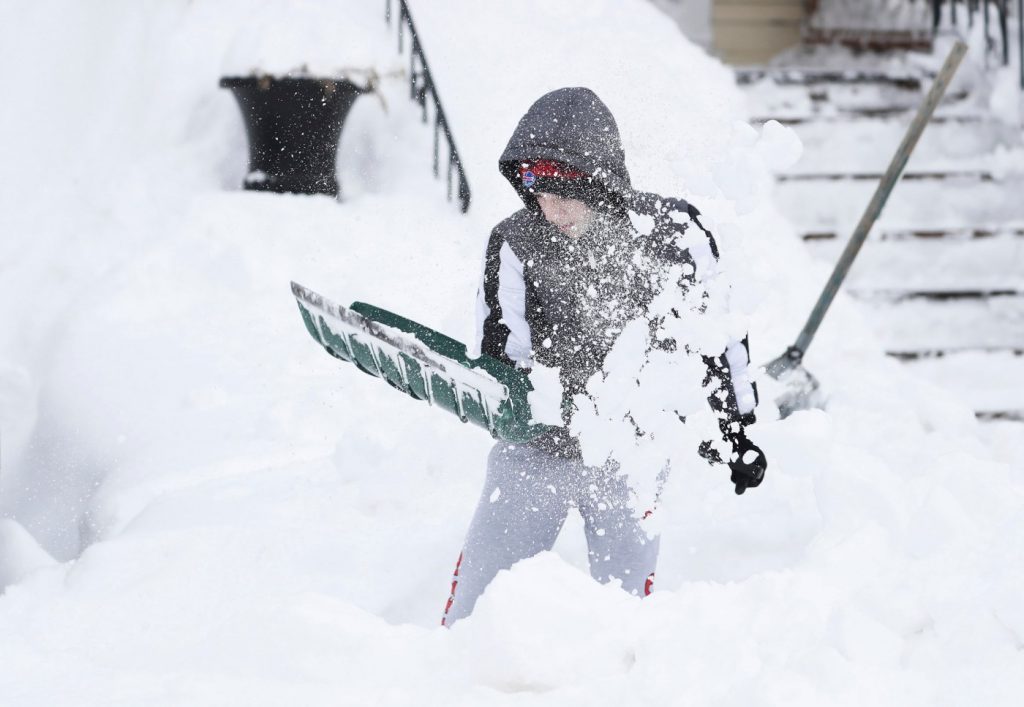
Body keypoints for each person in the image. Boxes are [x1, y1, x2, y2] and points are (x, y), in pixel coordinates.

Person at [441, 87, 766, 626]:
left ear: (598, 180)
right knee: (478, 608)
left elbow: (717, 336)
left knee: (624, 619)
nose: (551, 209)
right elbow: (504, 357)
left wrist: (735, 428)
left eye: (563, 193)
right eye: (536, 192)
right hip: (536, 451)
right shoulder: (516, 243)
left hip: (630, 451)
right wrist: (507, 397)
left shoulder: (675, 234)